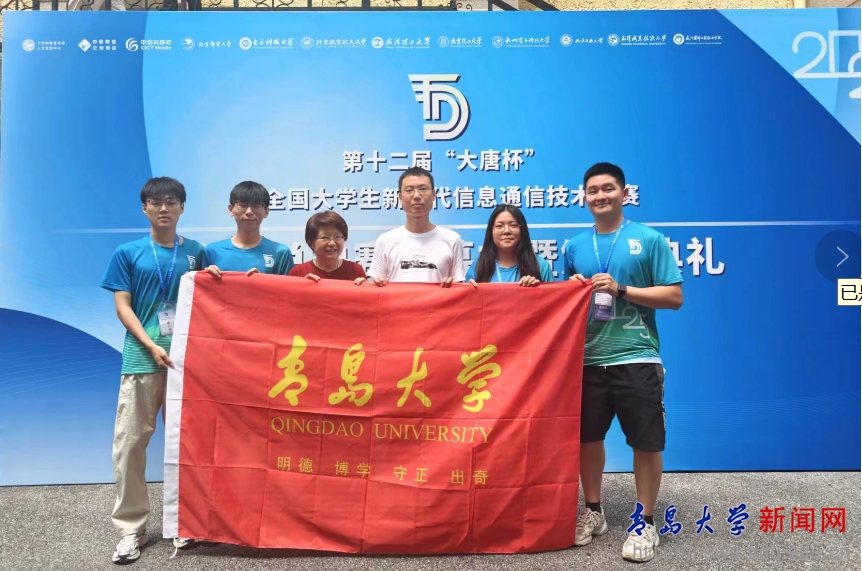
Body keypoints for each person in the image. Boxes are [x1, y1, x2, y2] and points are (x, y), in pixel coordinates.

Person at [562, 162, 683, 563]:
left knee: (646, 443)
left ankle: (645, 521)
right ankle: (593, 511)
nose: (600, 195)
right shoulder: (574, 247)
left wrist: (622, 289)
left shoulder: (648, 239)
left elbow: (674, 297)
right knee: (587, 439)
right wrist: (570, 289)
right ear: (584, 197)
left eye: (608, 188)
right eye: (593, 190)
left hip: (637, 357)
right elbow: (564, 302)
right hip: (587, 361)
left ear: (624, 193)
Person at [100, 177, 205, 564]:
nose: (164, 208)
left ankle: (187, 522)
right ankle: (132, 528)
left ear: (182, 207)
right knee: (130, 445)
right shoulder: (127, 252)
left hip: (187, 363)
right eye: (156, 202)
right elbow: (123, 306)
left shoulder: (197, 252)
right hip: (143, 359)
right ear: (144, 208)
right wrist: (151, 344)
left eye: (171, 201)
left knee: (189, 444)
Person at [368, 166, 465, 287]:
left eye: (423, 189)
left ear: (433, 195)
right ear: (400, 197)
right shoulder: (385, 240)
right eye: (409, 190)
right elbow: (378, 288)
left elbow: (459, 288)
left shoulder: (452, 239)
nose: (417, 196)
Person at [203, 181, 294, 279]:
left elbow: (288, 288)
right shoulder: (212, 251)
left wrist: (263, 282)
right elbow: (198, 286)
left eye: (256, 206)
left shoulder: (280, 253)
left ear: (266, 211)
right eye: (242, 205)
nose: (249, 212)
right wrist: (206, 277)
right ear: (231, 209)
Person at [466, 204, 553, 286]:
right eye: (499, 226)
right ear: (491, 231)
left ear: (522, 230)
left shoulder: (540, 266)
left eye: (513, 225)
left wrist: (537, 290)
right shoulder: (479, 266)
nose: (506, 231)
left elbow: (552, 296)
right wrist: (471, 291)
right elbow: (465, 296)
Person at [288, 211, 367, 284]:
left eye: (337, 237)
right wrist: (302, 287)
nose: (332, 243)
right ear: (311, 242)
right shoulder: (298, 273)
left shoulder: (356, 270)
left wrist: (365, 287)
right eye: (325, 237)